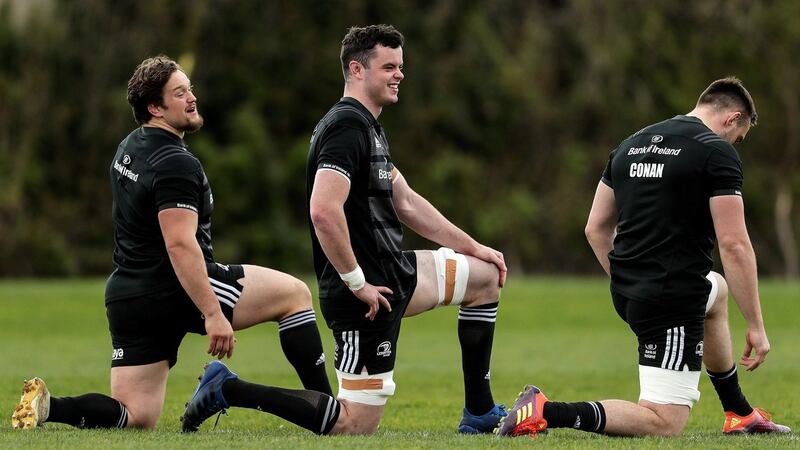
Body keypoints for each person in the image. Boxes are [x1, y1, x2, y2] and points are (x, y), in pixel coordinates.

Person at [178, 24, 508, 436]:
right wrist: (357, 283)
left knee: (485, 279)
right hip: (364, 299)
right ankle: (229, 387)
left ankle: (479, 413)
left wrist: (475, 247)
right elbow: (323, 210)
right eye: (389, 66)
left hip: (398, 274)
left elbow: (406, 202)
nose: (399, 74)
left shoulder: (368, 126)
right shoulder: (345, 128)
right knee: (353, 426)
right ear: (357, 69)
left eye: (400, 66)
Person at [11, 55, 331, 430]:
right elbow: (180, 245)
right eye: (180, 93)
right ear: (155, 107)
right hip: (177, 288)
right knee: (295, 295)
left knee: (137, 415)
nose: (191, 98)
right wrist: (213, 314)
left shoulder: (129, 147)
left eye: (189, 88)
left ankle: (51, 408)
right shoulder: (176, 163)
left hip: (130, 295)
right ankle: (329, 409)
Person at [498, 77, 791, 438]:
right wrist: (757, 327)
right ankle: (545, 410)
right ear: (732, 119)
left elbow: (595, 228)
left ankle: (739, 412)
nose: (735, 145)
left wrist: (627, 280)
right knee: (664, 422)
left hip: (633, 291)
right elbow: (734, 245)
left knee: (716, 291)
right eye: (739, 138)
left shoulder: (631, 144)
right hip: (671, 301)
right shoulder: (716, 152)